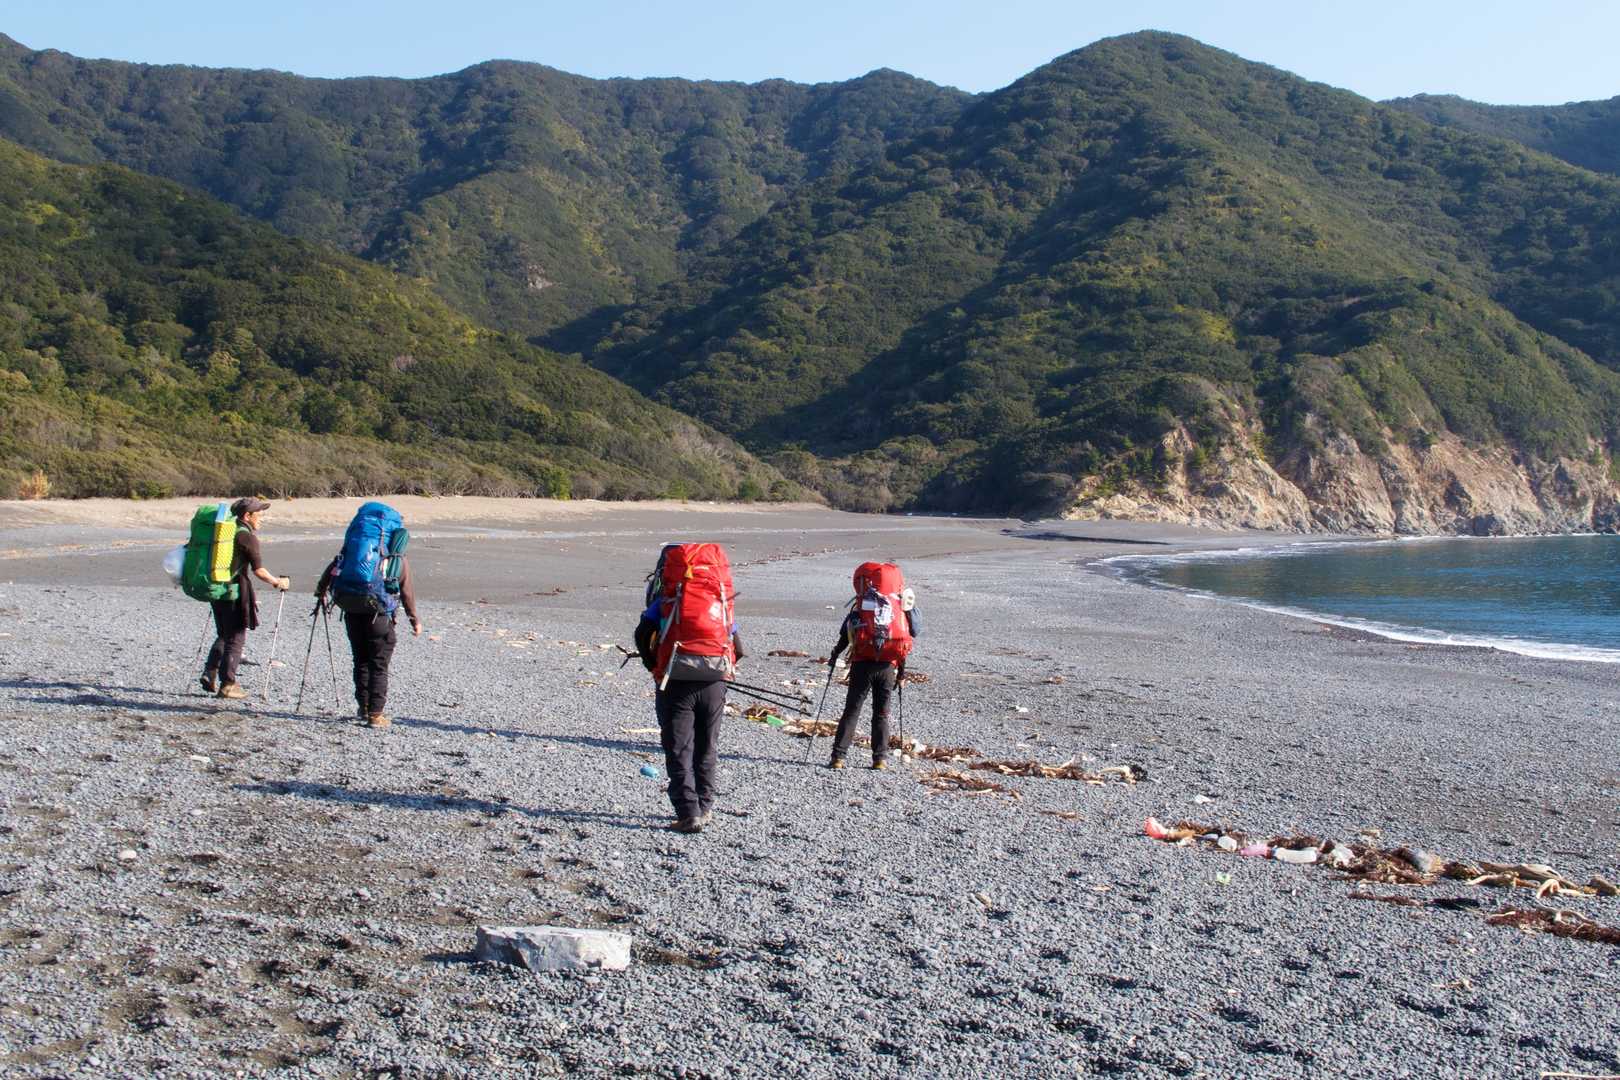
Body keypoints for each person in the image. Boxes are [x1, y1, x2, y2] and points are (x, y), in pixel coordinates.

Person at [634, 543, 745, 834]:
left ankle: (688, 813)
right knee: (707, 746)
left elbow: (642, 633)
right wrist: (721, 672)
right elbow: (739, 648)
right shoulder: (719, 600)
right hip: (714, 682)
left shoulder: (668, 600)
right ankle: (705, 807)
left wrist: (653, 666)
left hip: (674, 679)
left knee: (679, 748)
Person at [314, 517, 421, 730]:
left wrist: (320, 593)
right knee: (379, 665)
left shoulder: (351, 553)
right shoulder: (395, 559)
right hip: (379, 616)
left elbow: (328, 575)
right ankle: (375, 714)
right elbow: (406, 592)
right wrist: (414, 620)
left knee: (360, 660)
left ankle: (363, 708)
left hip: (352, 610)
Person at [828, 566, 919, 770]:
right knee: (881, 714)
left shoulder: (863, 604)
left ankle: (838, 758)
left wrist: (834, 656)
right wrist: (901, 674)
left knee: (852, 711)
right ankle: (879, 760)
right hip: (887, 667)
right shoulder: (899, 606)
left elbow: (845, 635)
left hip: (862, 664)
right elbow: (906, 640)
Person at [200, 496, 291, 699]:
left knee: (224, 634)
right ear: (247, 516)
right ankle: (228, 684)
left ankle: (210, 672)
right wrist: (277, 582)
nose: (262, 519)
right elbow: (259, 570)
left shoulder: (226, 532)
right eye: (259, 514)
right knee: (236, 637)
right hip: (234, 592)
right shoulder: (246, 537)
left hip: (217, 589)